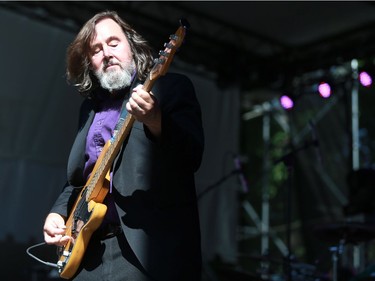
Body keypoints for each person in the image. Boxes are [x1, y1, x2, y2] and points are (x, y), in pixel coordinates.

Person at [42, 10, 204, 281]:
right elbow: (80, 180)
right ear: (90, 64)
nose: (106, 53)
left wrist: (155, 120)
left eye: (113, 42)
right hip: (88, 253)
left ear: (132, 46)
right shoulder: (89, 110)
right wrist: (57, 214)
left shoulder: (170, 89)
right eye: (96, 50)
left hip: (145, 251)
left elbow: (191, 157)